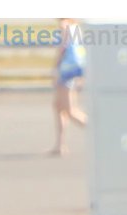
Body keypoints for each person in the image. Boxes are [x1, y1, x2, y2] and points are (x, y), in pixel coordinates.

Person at [51, 18, 87, 156]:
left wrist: (55, 67)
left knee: (70, 110)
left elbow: (63, 48)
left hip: (66, 70)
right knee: (58, 106)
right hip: (73, 69)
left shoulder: (64, 25)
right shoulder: (76, 26)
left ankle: (100, 132)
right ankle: (60, 145)